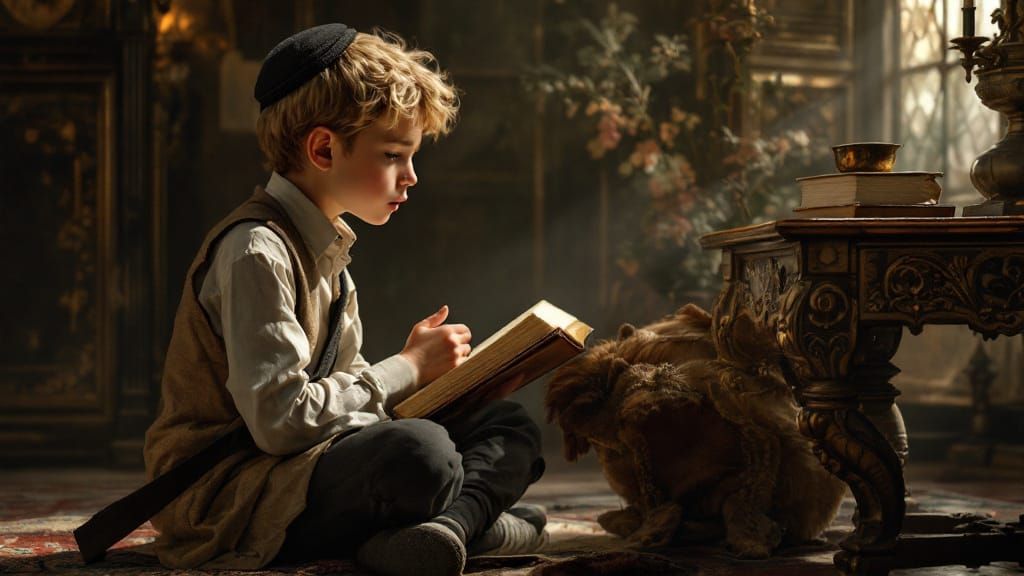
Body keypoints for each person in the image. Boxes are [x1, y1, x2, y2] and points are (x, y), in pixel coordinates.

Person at [143, 22, 546, 576]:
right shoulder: (256, 251)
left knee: (506, 426)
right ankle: (473, 522)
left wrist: (440, 387)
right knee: (419, 455)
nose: (410, 177)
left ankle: (442, 531)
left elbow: (348, 412)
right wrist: (405, 367)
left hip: (297, 468)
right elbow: (280, 423)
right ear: (324, 148)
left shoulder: (330, 251)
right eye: (393, 155)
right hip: (234, 494)